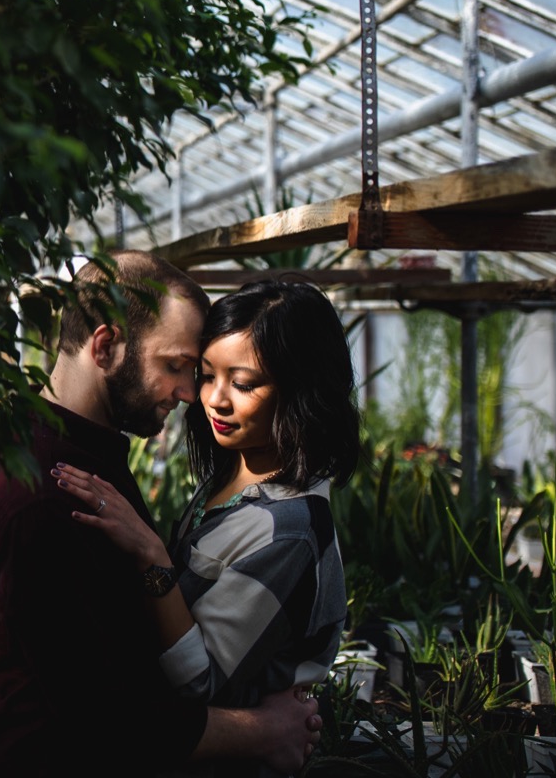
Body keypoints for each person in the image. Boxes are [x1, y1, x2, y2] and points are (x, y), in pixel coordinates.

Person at [0, 251, 322, 778]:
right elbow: (108, 722)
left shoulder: (80, 458)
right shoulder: (47, 501)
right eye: (176, 367)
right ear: (105, 347)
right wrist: (264, 730)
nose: (193, 394)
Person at [52, 278, 362, 777]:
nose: (213, 400)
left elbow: (201, 682)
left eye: (243, 383)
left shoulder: (289, 531)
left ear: (303, 389)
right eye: (206, 374)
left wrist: (153, 558)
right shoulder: (231, 474)